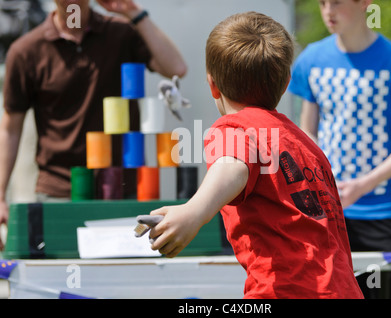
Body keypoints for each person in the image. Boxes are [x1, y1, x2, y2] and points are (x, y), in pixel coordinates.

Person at [138, 11, 363, 299]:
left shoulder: (234, 127)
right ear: (285, 85)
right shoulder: (307, 145)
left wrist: (193, 212)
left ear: (212, 85)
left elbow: (234, 164)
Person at [0, 0, 187, 250]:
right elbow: (10, 129)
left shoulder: (121, 33)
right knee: (59, 276)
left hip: (122, 191)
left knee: (124, 282)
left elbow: (176, 68)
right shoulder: (26, 51)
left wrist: (133, 12)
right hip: (58, 193)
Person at [288, 0, 391, 298]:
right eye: (323, 2)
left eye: (337, 2)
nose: (328, 11)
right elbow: (307, 133)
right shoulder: (311, 58)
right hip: (330, 216)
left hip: (386, 216)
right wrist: (321, 186)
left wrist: (361, 186)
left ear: (365, 3)